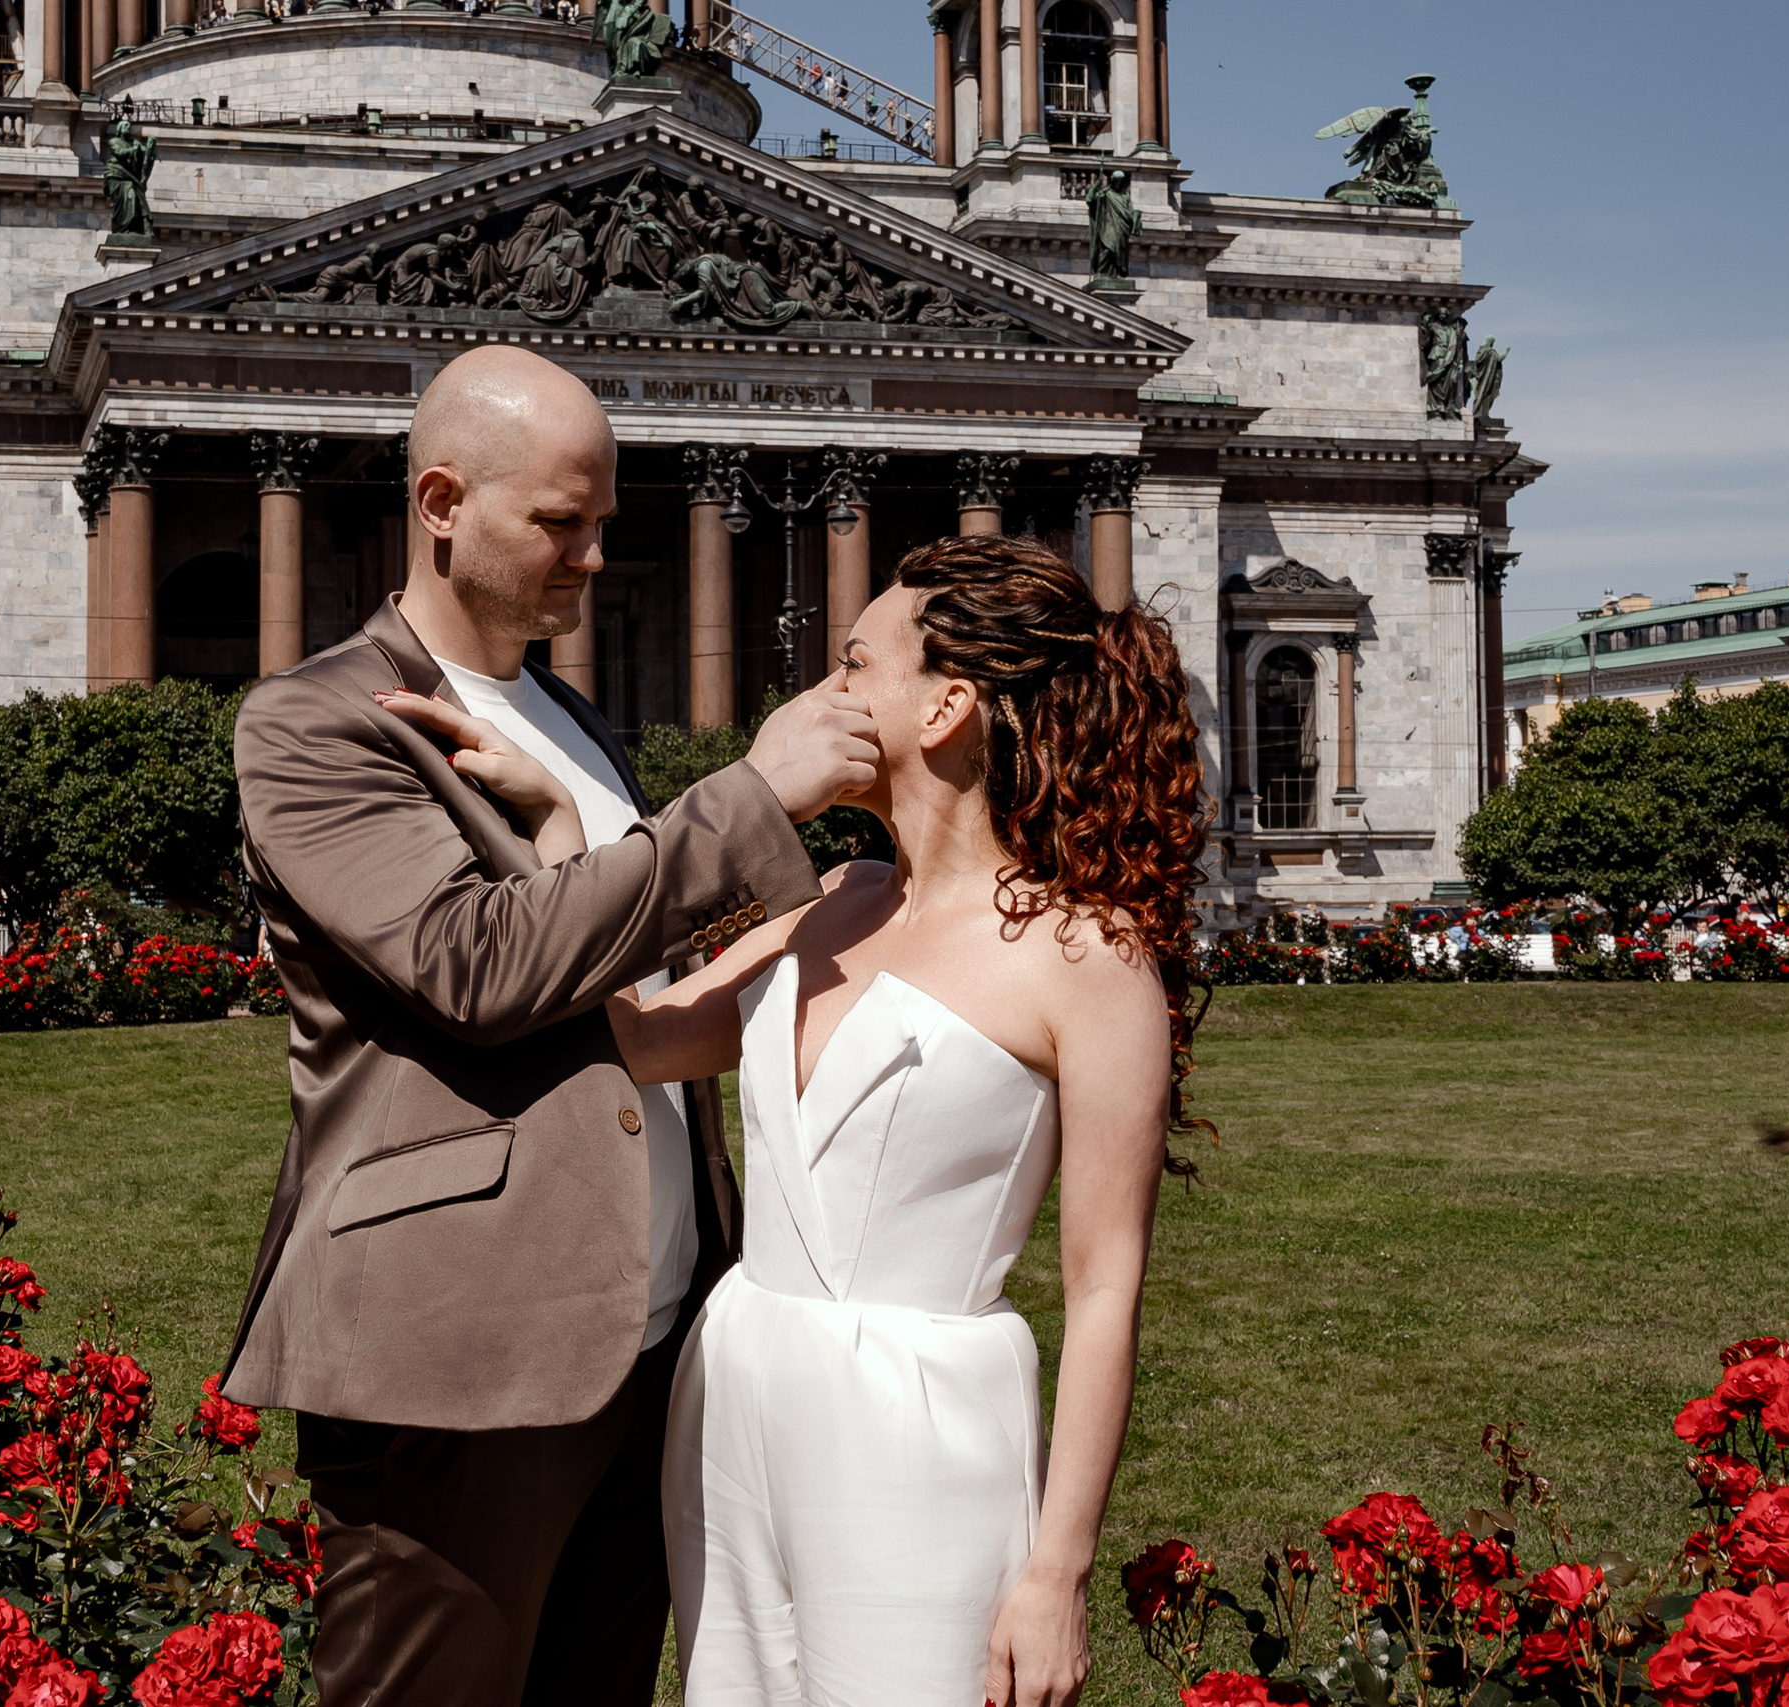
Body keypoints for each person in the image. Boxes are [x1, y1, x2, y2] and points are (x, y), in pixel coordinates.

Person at [385, 532, 1206, 1705]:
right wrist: (562, 828)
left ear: (947, 707)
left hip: (915, 1429)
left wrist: (1056, 1569)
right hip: (733, 1387)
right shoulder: (833, 897)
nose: (818, 694)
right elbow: (647, 1038)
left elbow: (1104, 1286)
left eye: (854, 665)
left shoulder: (1088, 958)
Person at [221, 343, 882, 1707]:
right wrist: (754, 793)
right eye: (560, 521)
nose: (594, 555)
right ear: (442, 500)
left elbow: (614, 979)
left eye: (605, 521)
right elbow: (473, 963)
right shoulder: (314, 722)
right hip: (459, 1350)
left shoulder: (571, 719)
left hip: (647, 1338)